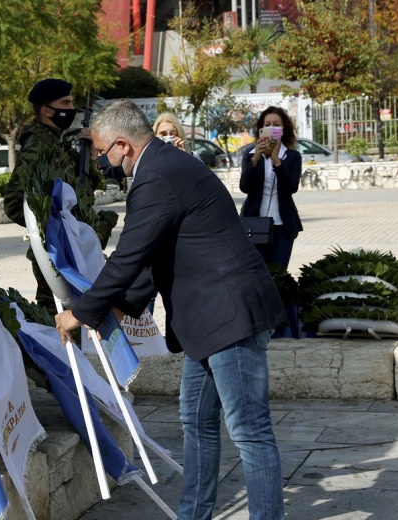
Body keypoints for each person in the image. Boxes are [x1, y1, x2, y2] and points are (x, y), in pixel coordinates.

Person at [55, 99, 286, 520]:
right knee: (196, 422)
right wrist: (120, 309)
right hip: (209, 321)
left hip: (228, 316)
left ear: (123, 145)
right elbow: (153, 256)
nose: (103, 164)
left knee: (250, 432)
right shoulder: (162, 166)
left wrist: (82, 311)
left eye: (104, 152)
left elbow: (129, 255)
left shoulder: (156, 174)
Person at [4, 78, 117, 314]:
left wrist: (92, 157)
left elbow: (84, 190)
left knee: (78, 313)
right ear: (46, 110)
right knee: (58, 316)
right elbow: (14, 202)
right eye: (64, 102)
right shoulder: (38, 144)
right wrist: (51, 230)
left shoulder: (59, 144)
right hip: (57, 251)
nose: (70, 108)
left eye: (71, 102)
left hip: (76, 246)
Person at [239, 105, 302, 270]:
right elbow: (245, 187)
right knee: (258, 274)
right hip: (255, 224)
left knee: (278, 274)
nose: (271, 128)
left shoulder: (293, 156)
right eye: (267, 124)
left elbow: (291, 187)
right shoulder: (250, 153)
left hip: (283, 226)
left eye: (276, 124)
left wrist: (277, 162)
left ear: (283, 128)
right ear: (261, 128)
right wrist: (255, 160)